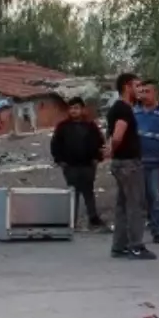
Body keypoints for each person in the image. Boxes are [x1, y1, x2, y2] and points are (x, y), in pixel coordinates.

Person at [107, 73, 154, 260]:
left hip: (121, 164)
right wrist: (112, 149)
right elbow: (118, 135)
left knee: (122, 206)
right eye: (137, 86)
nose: (140, 90)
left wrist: (110, 150)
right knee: (136, 205)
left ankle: (119, 246)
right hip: (129, 164)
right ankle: (136, 246)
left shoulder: (116, 108)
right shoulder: (124, 110)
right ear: (127, 87)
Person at [51, 97, 106, 230]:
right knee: (73, 192)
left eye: (76, 108)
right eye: (71, 108)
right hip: (70, 166)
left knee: (88, 192)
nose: (73, 111)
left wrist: (97, 158)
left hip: (88, 165)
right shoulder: (63, 127)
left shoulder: (91, 126)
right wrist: (60, 161)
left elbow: (100, 143)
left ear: (82, 109)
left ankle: (93, 219)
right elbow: (55, 145)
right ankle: (71, 221)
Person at [134, 80, 159, 242]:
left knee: (157, 197)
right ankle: (148, 227)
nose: (143, 95)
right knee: (140, 199)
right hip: (138, 163)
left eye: (147, 91)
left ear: (156, 93)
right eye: (141, 91)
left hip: (157, 165)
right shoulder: (134, 113)